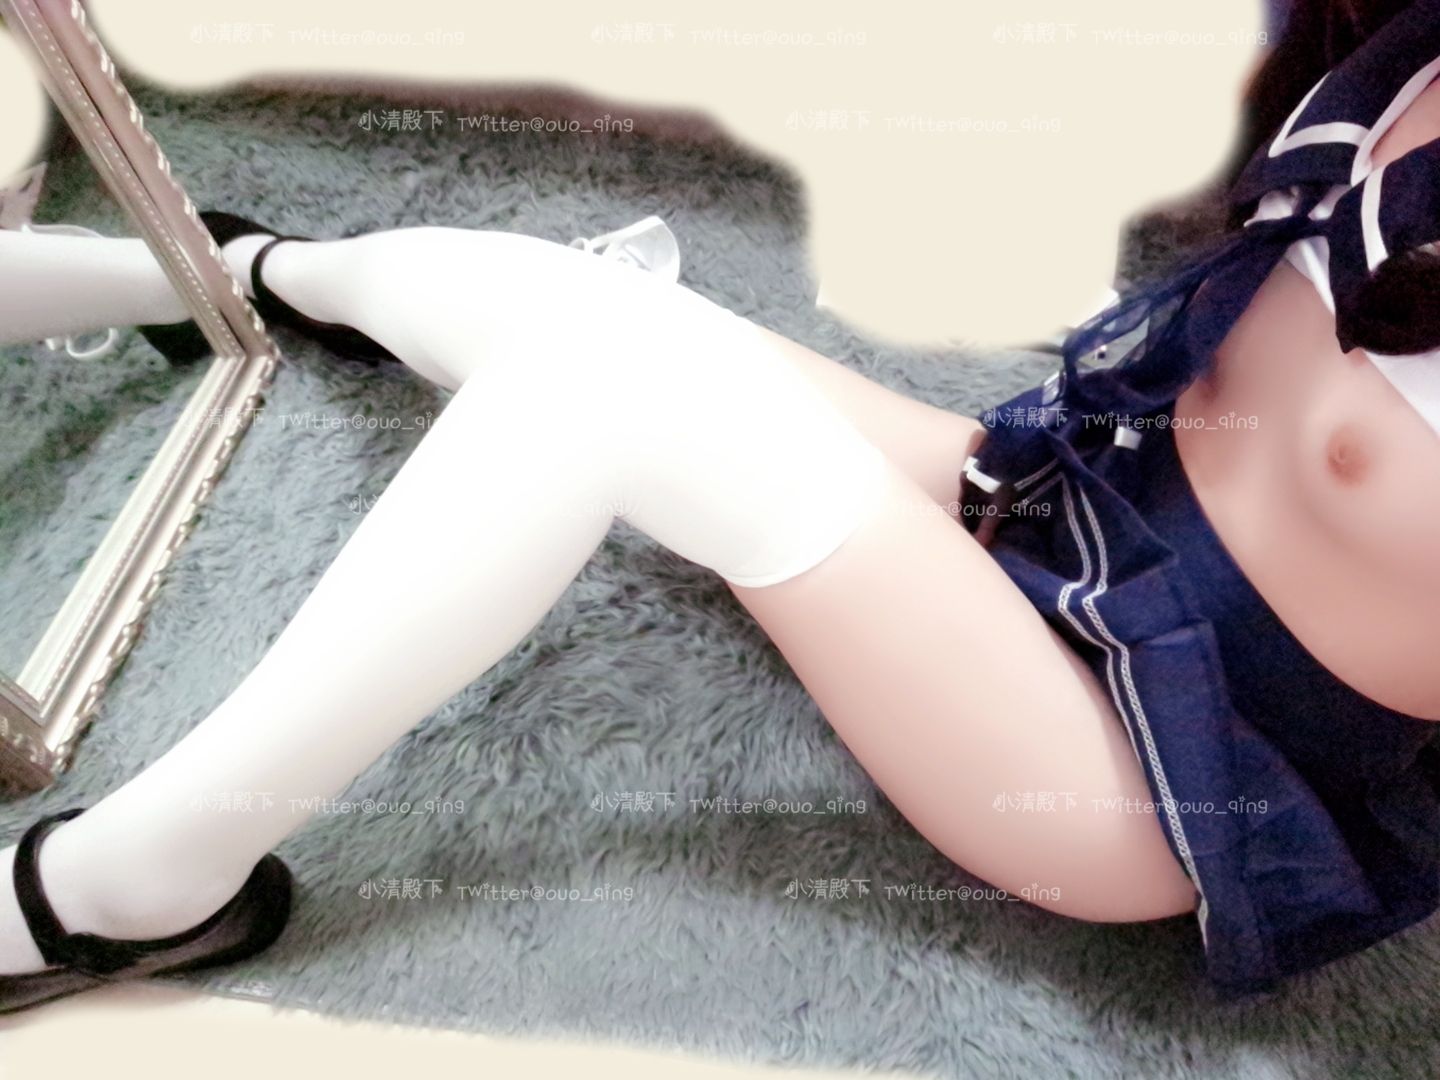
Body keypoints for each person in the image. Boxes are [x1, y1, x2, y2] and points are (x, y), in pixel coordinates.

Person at [2, 0, 1437, 1011]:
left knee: (603, 384)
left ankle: (124, 892)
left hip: (1149, 766)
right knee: (555, 297)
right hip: (1067, 505)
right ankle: (222, 280)